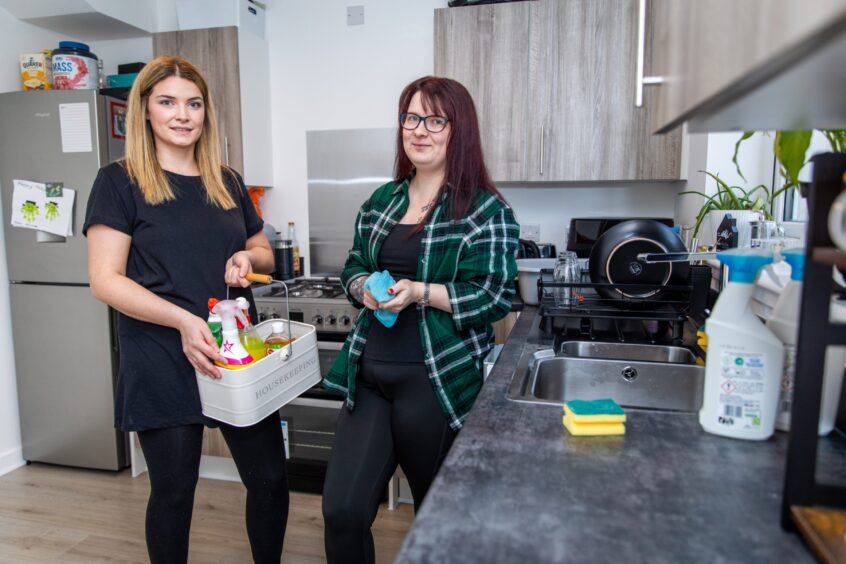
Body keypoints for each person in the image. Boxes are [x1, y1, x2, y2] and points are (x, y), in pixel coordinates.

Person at [83, 55, 287, 564]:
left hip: (238, 350)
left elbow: (262, 251)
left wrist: (247, 256)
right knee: (174, 493)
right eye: (168, 102)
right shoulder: (119, 181)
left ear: (206, 112)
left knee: (270, 481)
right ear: (145, 111)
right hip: (162, 355)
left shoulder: (228, 181)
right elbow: (104, 280)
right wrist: (181, 319)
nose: (183, 114)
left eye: (193, 103)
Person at [321, 76, 519, 564]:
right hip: (369, 377)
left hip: (435, 380)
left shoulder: (484, 210)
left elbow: (495, 296)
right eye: (411, 118)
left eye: (435, 120)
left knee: (437, 520)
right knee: (342, 512)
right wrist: (361, 287)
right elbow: (352, 267)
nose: (420, 130)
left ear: (459, 131)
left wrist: (421, 294)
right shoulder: (381, 201)